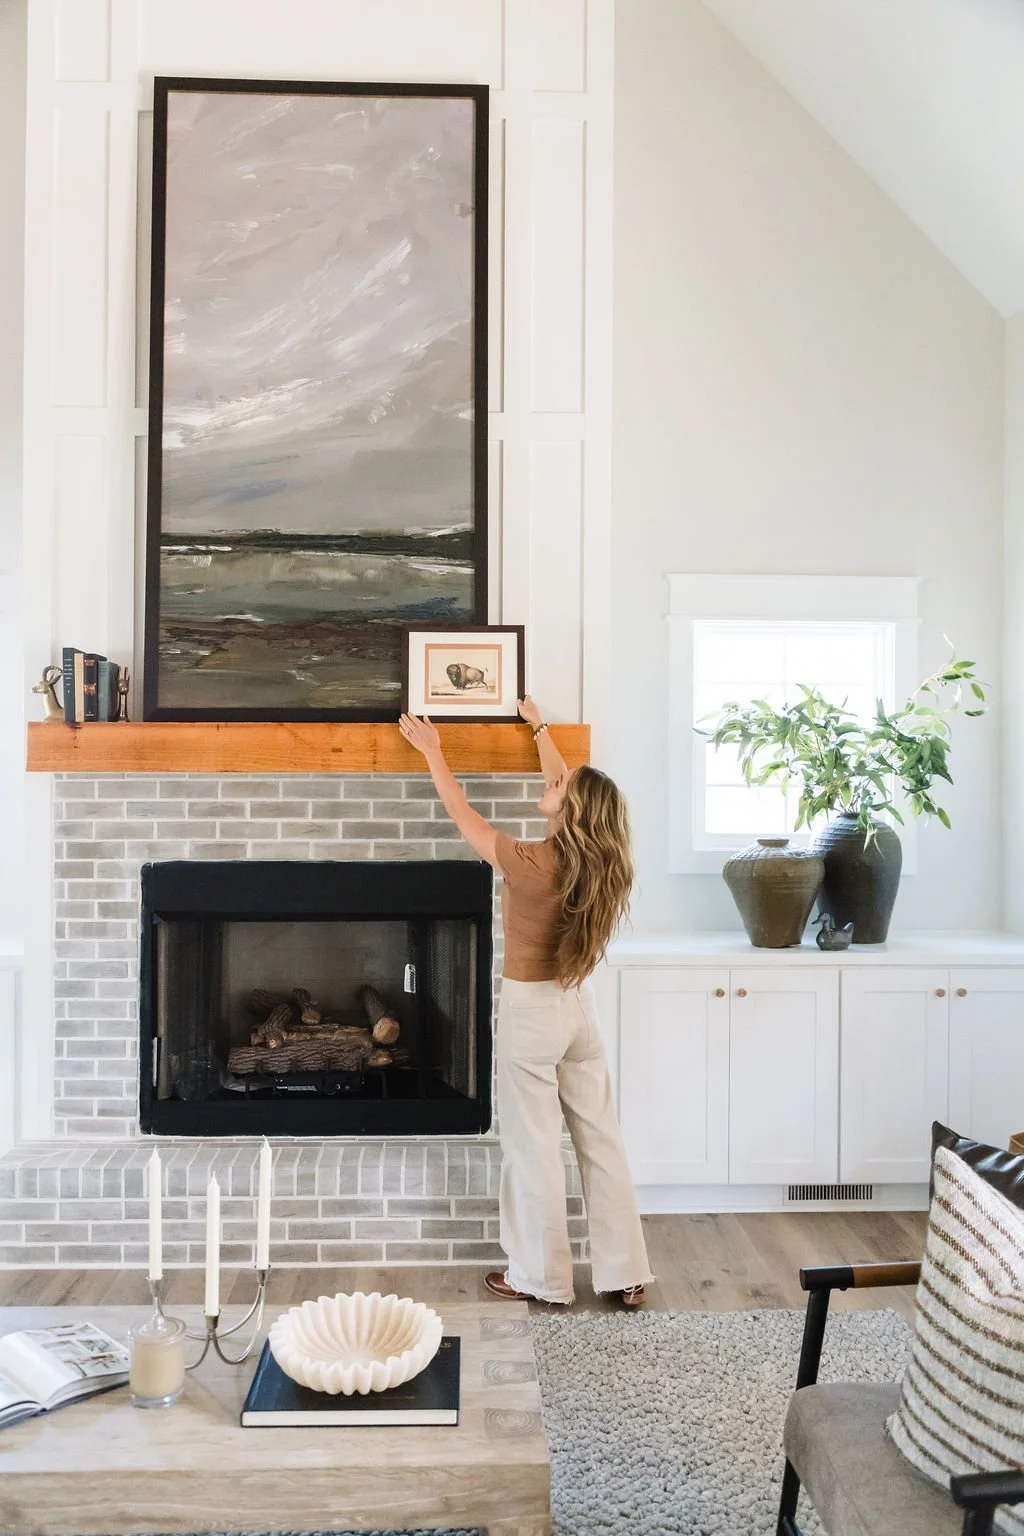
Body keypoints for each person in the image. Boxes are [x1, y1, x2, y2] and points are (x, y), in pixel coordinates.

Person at [399, 698, 653, 1308]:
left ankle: (538, 1278)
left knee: (533, 1147)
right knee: (601, 1139)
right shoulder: (600, 865)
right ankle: (625, 1274)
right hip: (578, 1012)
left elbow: (461, 812)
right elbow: (565, 783)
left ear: (569, 811)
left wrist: (434, 751)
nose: (553, 780)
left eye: (560, 786)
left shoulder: (529, 862)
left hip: (532, 1014)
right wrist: (539, 729)